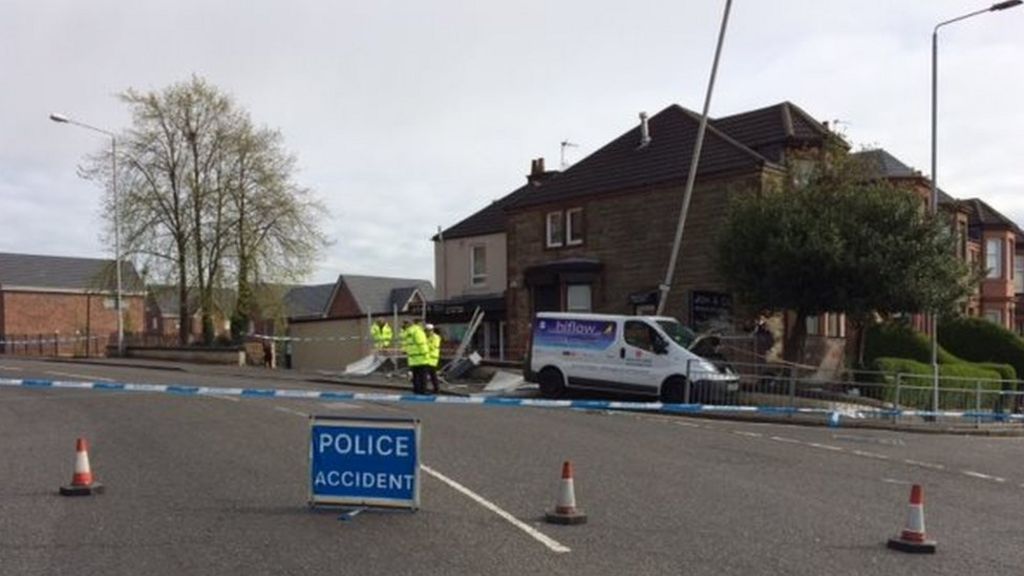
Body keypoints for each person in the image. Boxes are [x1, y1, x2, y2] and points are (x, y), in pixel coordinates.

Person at [402, 318, 429, 394]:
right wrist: (426, 354)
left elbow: (407, 344)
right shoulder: (418, 331)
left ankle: (416, 390)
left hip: (413, 358)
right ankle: (423, 391)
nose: (424, 325)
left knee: (415, 375)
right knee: (423, 376)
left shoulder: (408, 331)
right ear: (419, 323)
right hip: (421, 357)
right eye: (423, 323)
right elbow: (421, 343)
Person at [425, 323, 442, 394]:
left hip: (432, 358)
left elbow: (433, 346)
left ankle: (433, 388)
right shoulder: (427, 337)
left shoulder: (436, 337)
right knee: (432, 375)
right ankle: (436, 389)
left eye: (429, 330)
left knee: (428, 374)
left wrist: (425, 345)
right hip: (427, 358)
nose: (428, 332)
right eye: (426, 331)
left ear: (432, 330)